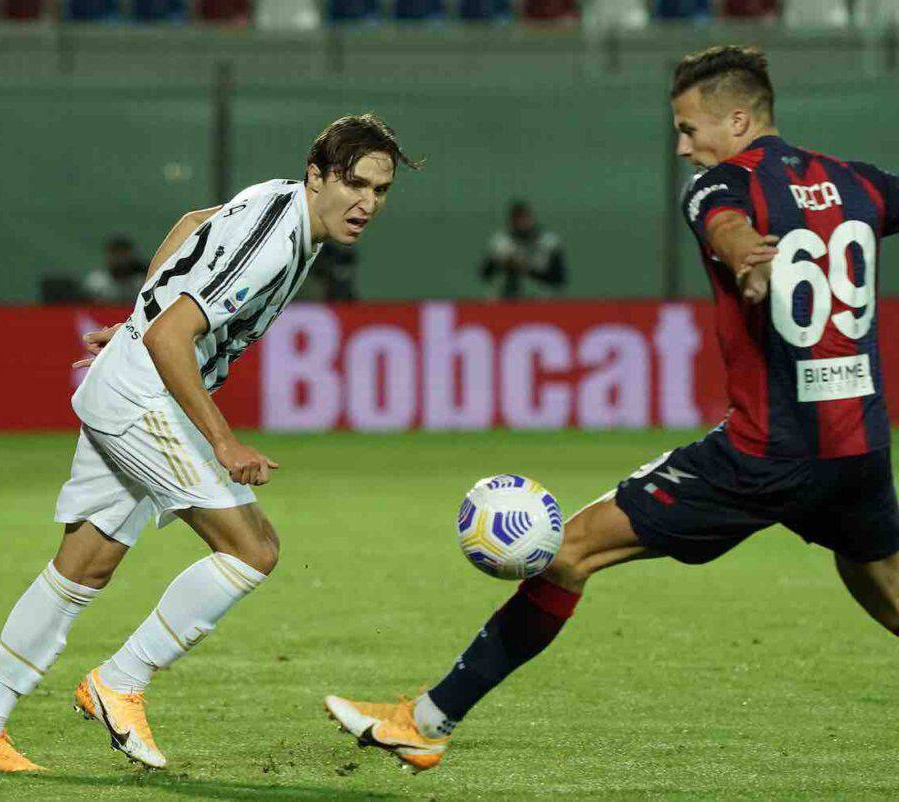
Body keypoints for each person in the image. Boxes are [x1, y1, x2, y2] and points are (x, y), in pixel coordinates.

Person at [325, 45, 899, 773]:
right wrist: (751, 254)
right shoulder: (857, 183)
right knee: (884, 586)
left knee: (566, 552)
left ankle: (426, 722)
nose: (683, 147)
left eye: (691, 129)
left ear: (741, 118)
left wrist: (746, 252)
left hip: (763, 455)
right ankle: (426, 720)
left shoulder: (719, 186)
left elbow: (725, 223)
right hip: (858, 448)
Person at [0, 113, 419, 773]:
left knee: (83, 565)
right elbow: (172, 339)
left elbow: (193, 223)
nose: (367, 203)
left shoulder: (274, 198)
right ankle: (120, 681)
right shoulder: (278, 240)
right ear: (318, 176)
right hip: (144, 396)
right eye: (355, 184)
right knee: (253, 549)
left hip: (129, 382)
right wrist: (221, 440)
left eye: (381, 190)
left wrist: (140, 314)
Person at [481, 201, 566, 300]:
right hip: (505, 299)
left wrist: (527, 270)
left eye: (525, 218)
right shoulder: (501, 243)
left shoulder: (549, 243)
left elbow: (559, 279)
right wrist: (502, 263)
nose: (522, 223)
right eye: (517, 219)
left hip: (541, 300)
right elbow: (485, 274)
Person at [82, 236, 149, 306]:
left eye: (124, 254)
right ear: (107, 257)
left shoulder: (141, 283)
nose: (120, 259)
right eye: (115, 253)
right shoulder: (95, 282)